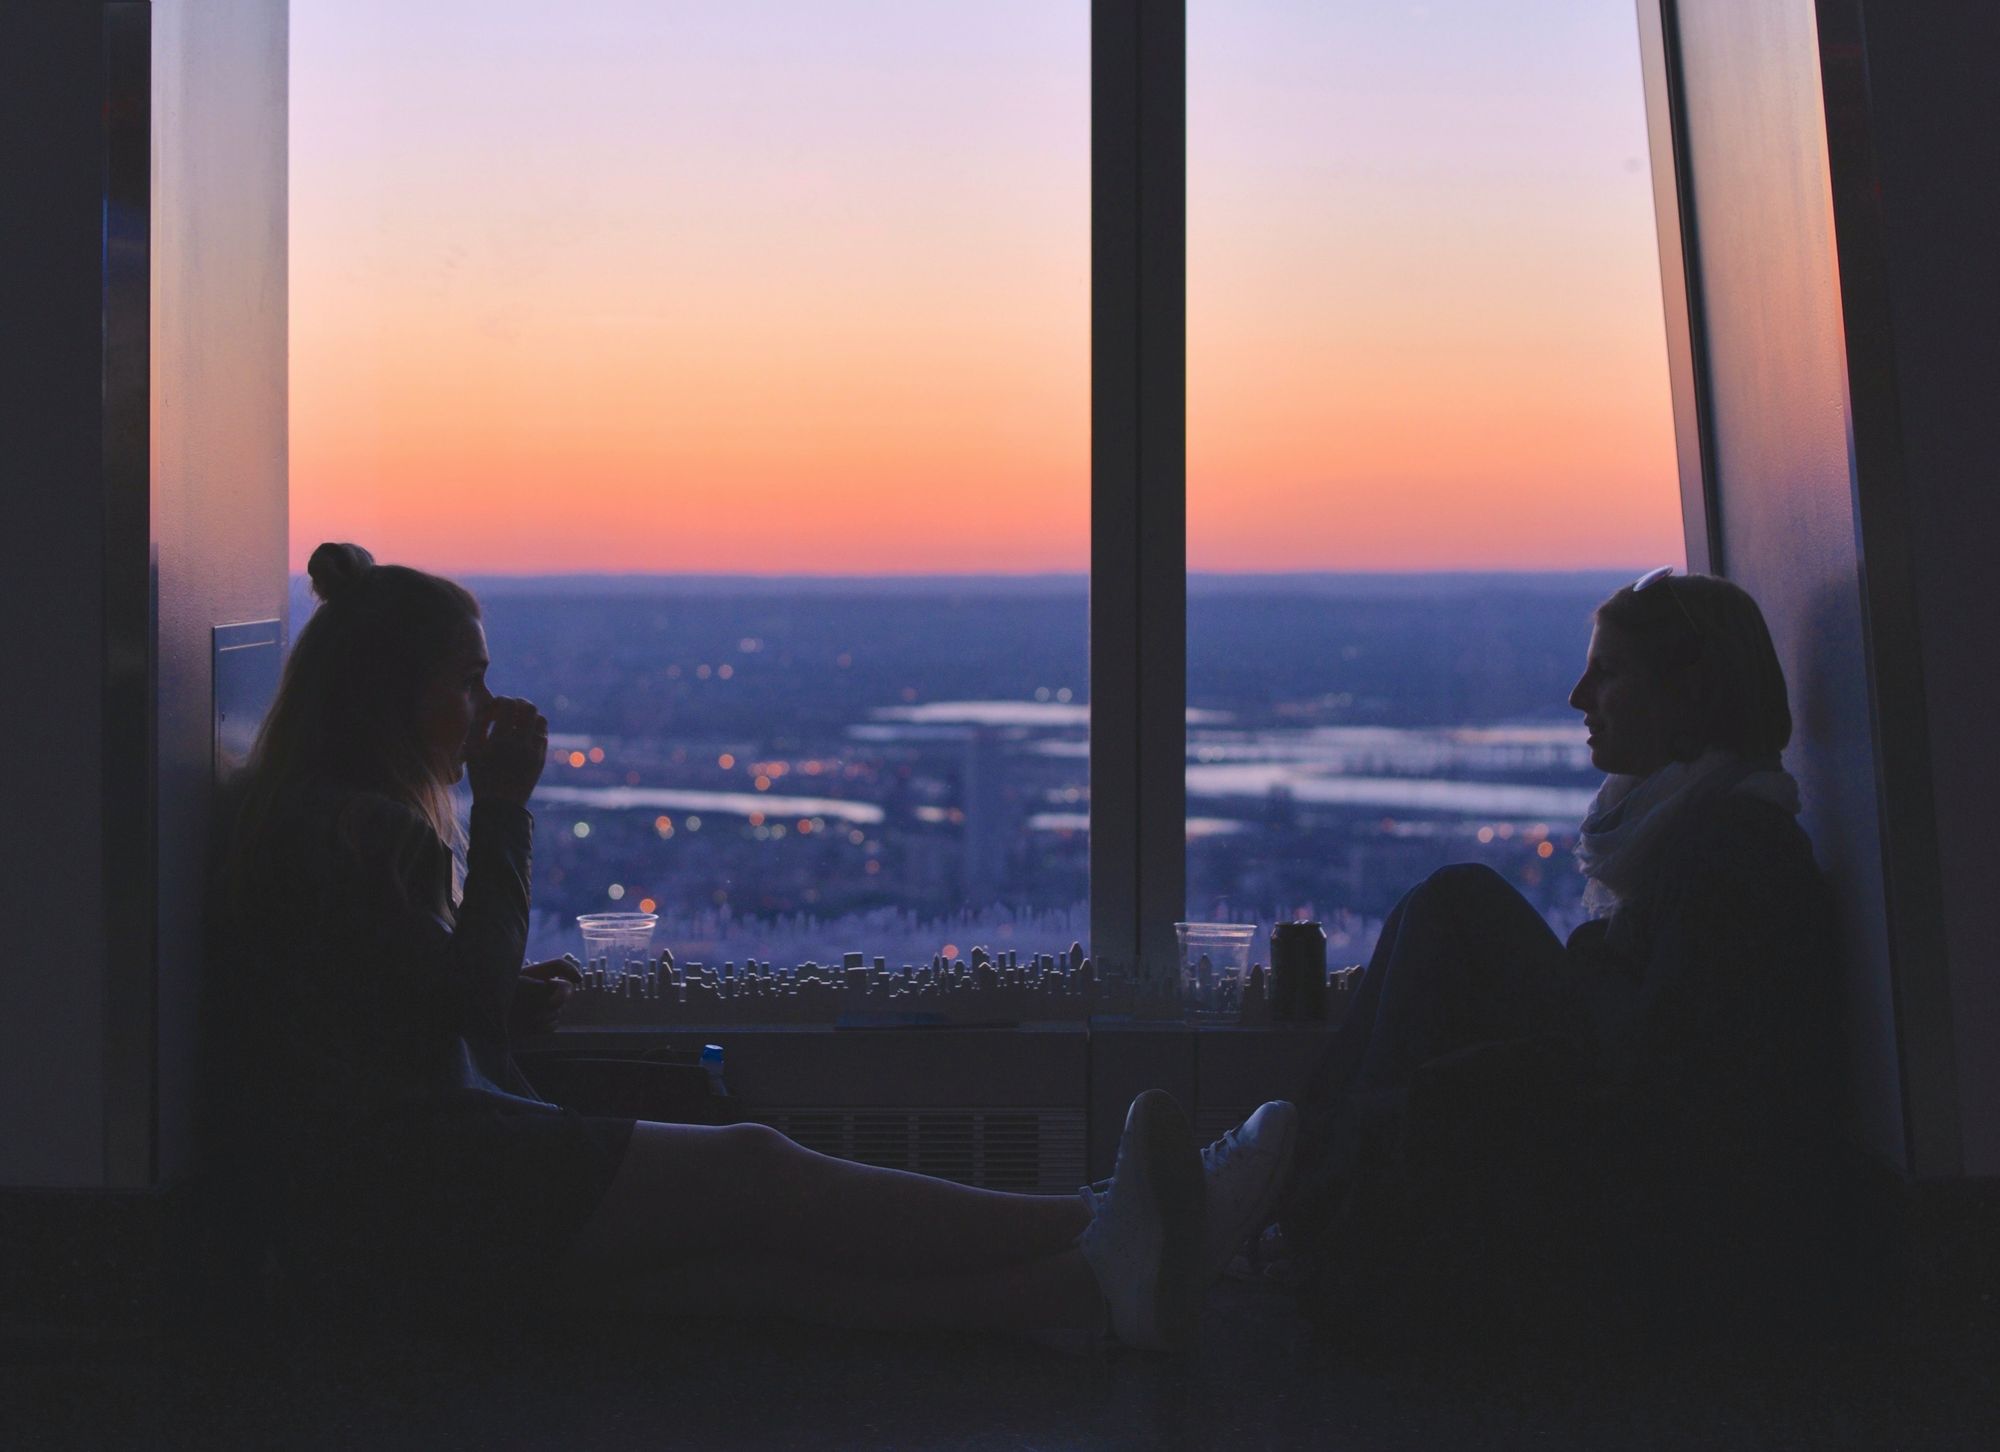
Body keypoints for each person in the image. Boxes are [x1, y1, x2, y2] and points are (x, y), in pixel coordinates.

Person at [215, 542, 1295, 1351]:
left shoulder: (306, 821)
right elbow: (449, 1008)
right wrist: (503, 815)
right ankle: (1120, 1218)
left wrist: (489, 992)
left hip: (350, 1230)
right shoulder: (371, 832)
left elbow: (385, 1007)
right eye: (466, 681)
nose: (487, 705)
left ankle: (1095, 1296)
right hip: (433, 1184)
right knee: (753, 1171)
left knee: (755, 1281)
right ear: (390, 697)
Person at [1272, 568, 1847, 1344]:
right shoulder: (1695, 838)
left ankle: (1288, 1193)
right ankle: (1281, 1191)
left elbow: (1667, 1079)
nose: (1580, 698)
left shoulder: (1734, 853)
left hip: (1664, 1209)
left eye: (1607, 672)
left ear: (1692, 692)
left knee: (1456, 902)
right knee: (1440, 908)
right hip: (1634, 1154)